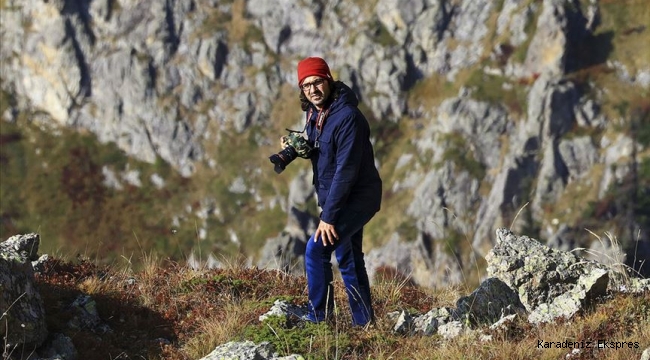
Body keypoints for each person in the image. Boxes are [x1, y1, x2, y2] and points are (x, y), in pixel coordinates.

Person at [292, 56, 382, 326]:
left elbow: (346, 170)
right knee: (348, 257)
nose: (312, 89)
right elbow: (314, 144)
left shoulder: (348, 118)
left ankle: (318, 319)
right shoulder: (316, 112)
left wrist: (329, 217)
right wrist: (289, 152)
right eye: (306, 85)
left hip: (357, 198)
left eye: (317, 82)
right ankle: (364, 324)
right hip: (338, 198)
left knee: (316, 249)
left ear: (328, 80)